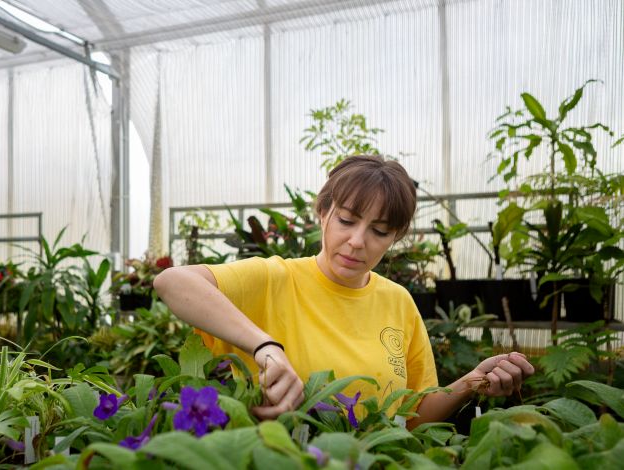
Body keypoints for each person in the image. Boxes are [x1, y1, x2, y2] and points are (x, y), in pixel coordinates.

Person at [154, 155, 534, 427]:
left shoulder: (397, 302)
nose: (356, 241)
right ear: (323, 212)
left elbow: (414, 414)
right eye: (347, 220)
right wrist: (265, 347)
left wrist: (470, 383)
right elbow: (172, 282)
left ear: (396, 237)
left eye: (379, 231)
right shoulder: (274, 279)